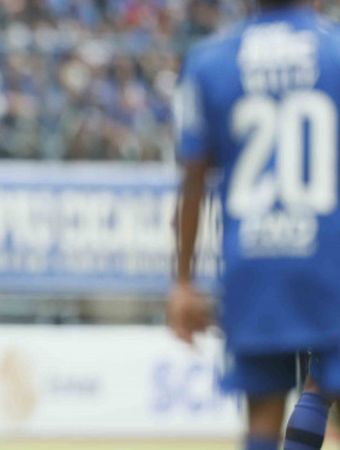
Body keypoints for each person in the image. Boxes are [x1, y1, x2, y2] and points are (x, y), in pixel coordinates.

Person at [168, 2, 340, 450]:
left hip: (254, 264)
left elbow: (192, 182)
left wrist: (183, 281)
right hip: (329, 258)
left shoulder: (211, 61)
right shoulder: (335, 51)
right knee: (321, 390)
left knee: (262, 415)